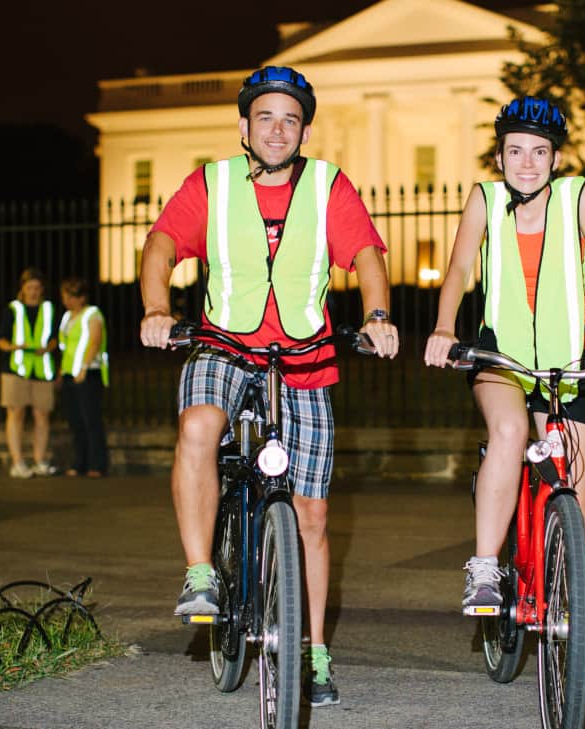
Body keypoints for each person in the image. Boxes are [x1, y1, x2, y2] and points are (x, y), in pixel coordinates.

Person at [138, 65, 399, 708]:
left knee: (311, 513)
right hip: (223, 343)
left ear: (303, 129)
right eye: (266, 118)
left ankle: (311, 650)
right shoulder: (214, 183)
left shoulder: (328, 185)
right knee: (199, 425)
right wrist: (155, 308)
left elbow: (367, 254)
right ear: (244, 127)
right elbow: (162, 244)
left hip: (305, 355)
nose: (278, 130)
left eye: (290, 119)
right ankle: (202, 573)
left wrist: (377, 317)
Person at [423, 96, 585, 703]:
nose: (527, 162)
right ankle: (487, 568)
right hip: (501, 361)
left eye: (539, 152)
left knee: (581, 510)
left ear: (556, 158)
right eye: (516, 150)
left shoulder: (575, 198)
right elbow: (459, 269)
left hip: (569, 369)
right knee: (510, 435)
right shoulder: (484, 200)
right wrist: (442, 328)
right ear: (500, 155)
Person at [0, 267, 60, 479]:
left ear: (42, 290)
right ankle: (18, 462)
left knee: (41, 415)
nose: (33, 291)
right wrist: (15, 347)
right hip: (16, 369)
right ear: (22, 289)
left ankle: (40, 460)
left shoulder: (49, 309)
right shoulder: (13, 309)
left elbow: (55, 338)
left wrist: (48, 348)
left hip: (42, 369)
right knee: (16, 414)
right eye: (29, 287)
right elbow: (1, 340)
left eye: (37, 288)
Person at [58, 277, 109, 478]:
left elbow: (95, 341)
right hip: (70, 373)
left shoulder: (92, 314)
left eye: (71, 297)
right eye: (65, 297)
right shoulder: (67, 317)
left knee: (91, 420)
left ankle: (97, 464)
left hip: (88, 373)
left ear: (81, 298)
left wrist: (84, 367)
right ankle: (80, 462)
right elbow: (66, 346)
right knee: (75, 421)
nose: (67, 301)